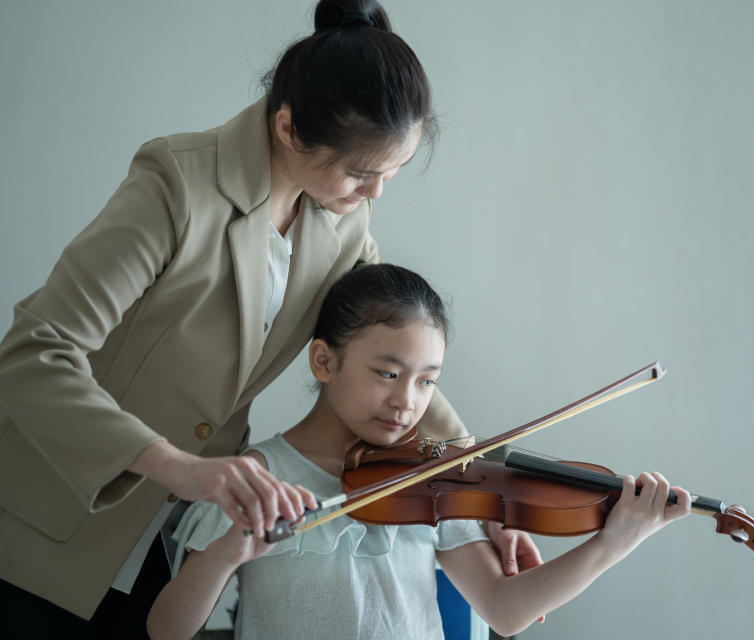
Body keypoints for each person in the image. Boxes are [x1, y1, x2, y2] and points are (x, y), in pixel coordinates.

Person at [0, 1, 538, 636]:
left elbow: (403, 362)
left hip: (173, 538)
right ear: (287, 127)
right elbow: (33, 356)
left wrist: (484, 491)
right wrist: (177, 465)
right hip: (50, 524)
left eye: (391, 173)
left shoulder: (340, 223)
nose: (376, 194)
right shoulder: (178, 182)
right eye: (363, 173)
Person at [146, 263, 693, 640]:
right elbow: (165, 630)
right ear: (324, 362)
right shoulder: (255, 478)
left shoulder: (429, 482)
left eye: (427, 382)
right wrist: (225, 554)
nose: (407, 402)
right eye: (387, 373)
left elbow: (506, 610)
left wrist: (615, 541)